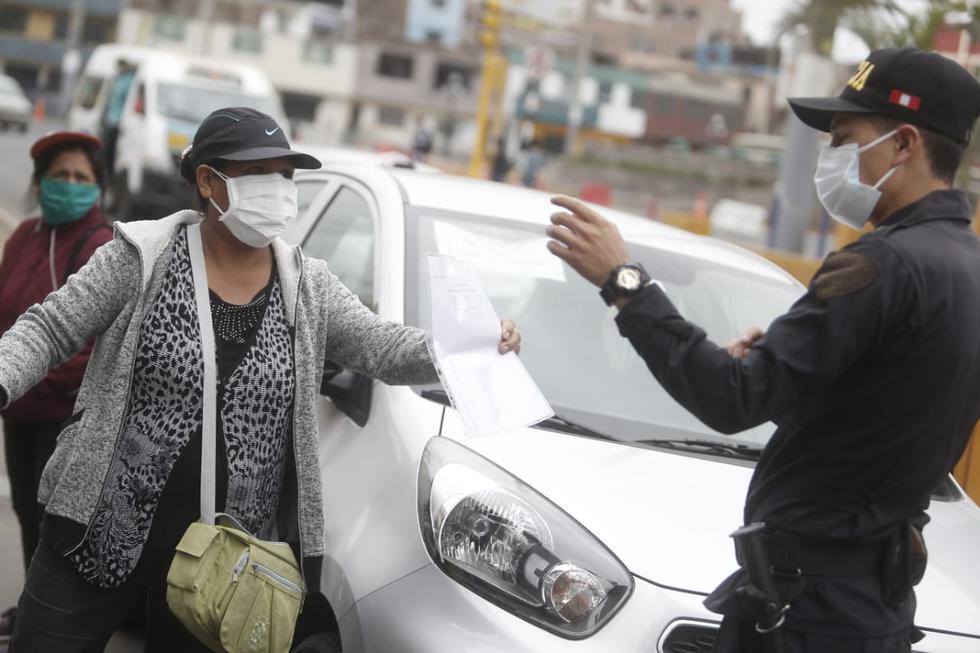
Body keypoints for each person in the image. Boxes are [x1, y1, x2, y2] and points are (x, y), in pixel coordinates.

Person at [0, 106, 522, 652]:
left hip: (222, 564)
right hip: (97, 532)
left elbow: (380, 346)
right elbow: (51, 326)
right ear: (208, 180)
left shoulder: (309, 289)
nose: (277, 189)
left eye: (285, 174)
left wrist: (462, 347)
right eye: (258, 173)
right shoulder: (142, 258)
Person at [544, 47, 980, 652]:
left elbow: (730, 398)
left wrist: (625, 283)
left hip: (810, 612)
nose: (831, 160)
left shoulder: (880, 265)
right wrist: (799, 378)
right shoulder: (966, 270)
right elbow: (888, 414)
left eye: (846, 140)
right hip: (874, 607)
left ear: (904, 144)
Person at [0, 131, 112, 647]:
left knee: (56, 524)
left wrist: (38, 379)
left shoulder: (103, 247)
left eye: (80, 178)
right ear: (40, 182)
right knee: (26, 507)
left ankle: (48, 624)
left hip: (63, 418)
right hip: (17, 410)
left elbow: (94, 345)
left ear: (97, 187)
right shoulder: (25, 236)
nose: (68, 185)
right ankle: (28, 609)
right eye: (58, 176)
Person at [100, 60, 136, 177]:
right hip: (111, 119)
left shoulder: (128, 81)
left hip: (118, 121)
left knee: (111, 151)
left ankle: (109, 174)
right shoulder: (118, 79)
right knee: (105, 150)